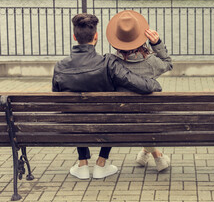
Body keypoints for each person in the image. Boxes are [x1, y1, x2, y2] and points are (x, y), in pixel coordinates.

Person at [52, 13, 162, 180]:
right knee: (112, 114)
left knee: (74, 113)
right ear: (96, 36)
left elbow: (58, 103)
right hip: (106, 124)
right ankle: (101, 163)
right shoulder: (108, 63)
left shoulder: (60, 67)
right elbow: (141, 84)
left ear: (74, 37)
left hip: (74, 128)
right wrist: (156, 85)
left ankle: (82, 164)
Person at [106, 10, 173, 172]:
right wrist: (157, 43)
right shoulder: (152, 63)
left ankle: (145, 153)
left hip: (121, 121)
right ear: (141, 37)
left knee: (137, 117)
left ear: (116, 40)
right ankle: (157, 156)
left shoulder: (110, 64)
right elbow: (168, 63)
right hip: (148, 120)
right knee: (144, 118)